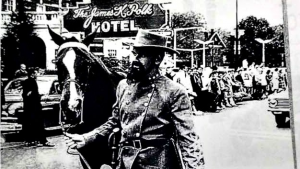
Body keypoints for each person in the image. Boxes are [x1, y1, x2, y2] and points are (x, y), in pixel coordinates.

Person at [65, 30, 205, 169]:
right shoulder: (123, 86)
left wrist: (195, 167)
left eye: (142, 55)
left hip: (157, 163)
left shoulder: (174, 91)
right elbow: (114, 121)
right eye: (134, 53)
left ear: (157, 59)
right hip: (126, 162)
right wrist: (87, 138)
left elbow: (188, 138)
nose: (135, 59)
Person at [21, 68, 54, 147]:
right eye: (36, 73)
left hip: (28, 107)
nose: (37, 74)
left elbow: (25, 95)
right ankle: (42, 140)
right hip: (34, 107)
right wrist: (39, 96)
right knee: (38, 123)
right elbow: (31, 94)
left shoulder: (26, 82)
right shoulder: (32, 82)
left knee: (30, 123)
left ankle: (31, 140)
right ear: (32, 74)